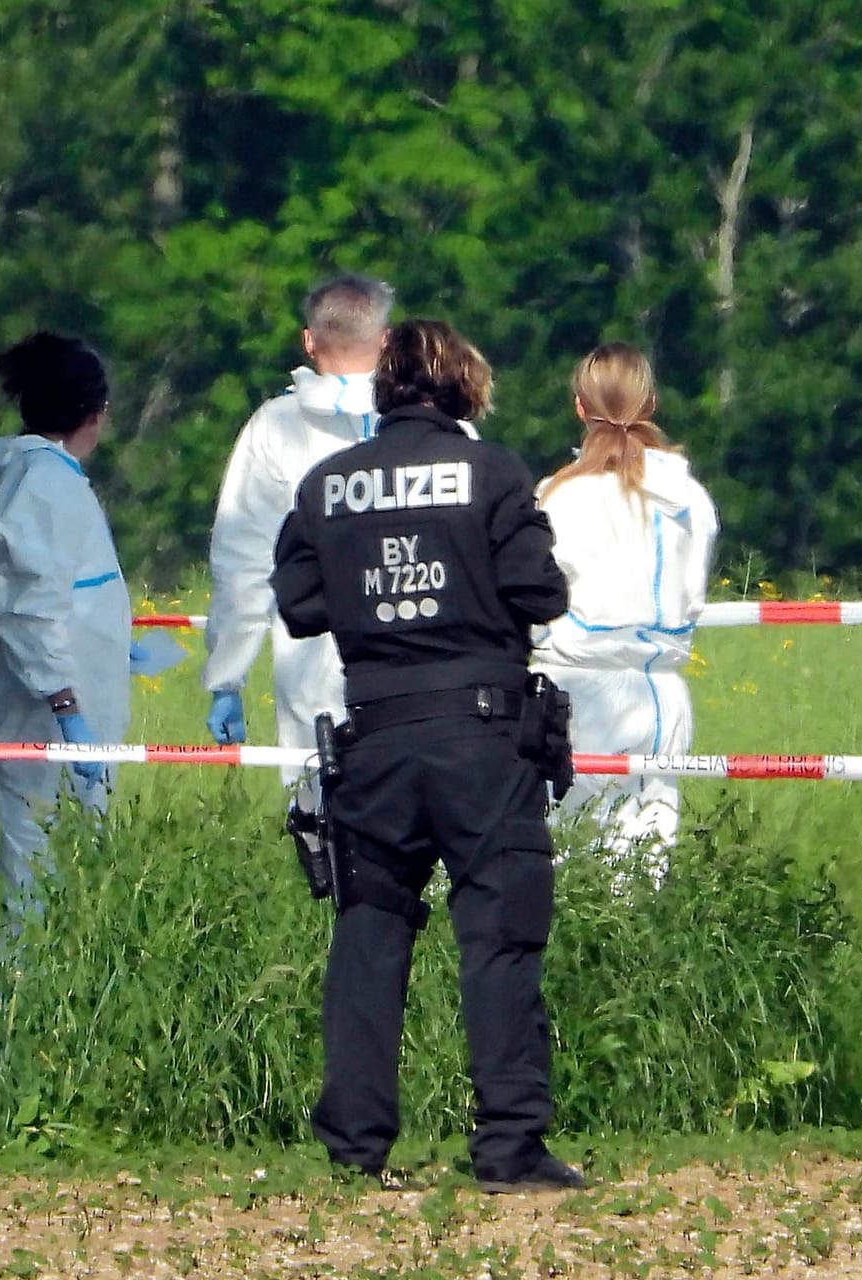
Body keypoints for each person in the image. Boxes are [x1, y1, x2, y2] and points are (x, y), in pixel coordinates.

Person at [270, 318, 584, 1192]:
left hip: (375, 738)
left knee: (369, 935)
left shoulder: (328, 484)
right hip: (483, 738)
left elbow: (298, 603)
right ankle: (509, 1147)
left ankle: (356, 1147)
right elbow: (536, 590)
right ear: (464, 388)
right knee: (499, 934)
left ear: (385, 387)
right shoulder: (493, 473)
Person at [0, 333, 129, 932]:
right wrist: (66, 704)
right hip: (41, 710)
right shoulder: (43, 485)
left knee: (67, 862)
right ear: (94, 413)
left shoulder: (45, 476)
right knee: (37, 862)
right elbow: (28, 610)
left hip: (58, 697)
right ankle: (21, 997)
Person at [532, 343, 718, 878]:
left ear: (579, 408)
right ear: (652, 405)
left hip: (570, 686)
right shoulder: (691, 499)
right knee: (642, 860)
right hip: (660, 690)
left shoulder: (557, 496)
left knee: (559, 854)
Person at [202, 275, 393, 764]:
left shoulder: (277, 425)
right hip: (419, 646)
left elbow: (243, 560)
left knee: (320, 809)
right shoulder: (439, 421)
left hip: (313, 647)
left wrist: (227, 675)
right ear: (386, 340)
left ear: (309, 341)